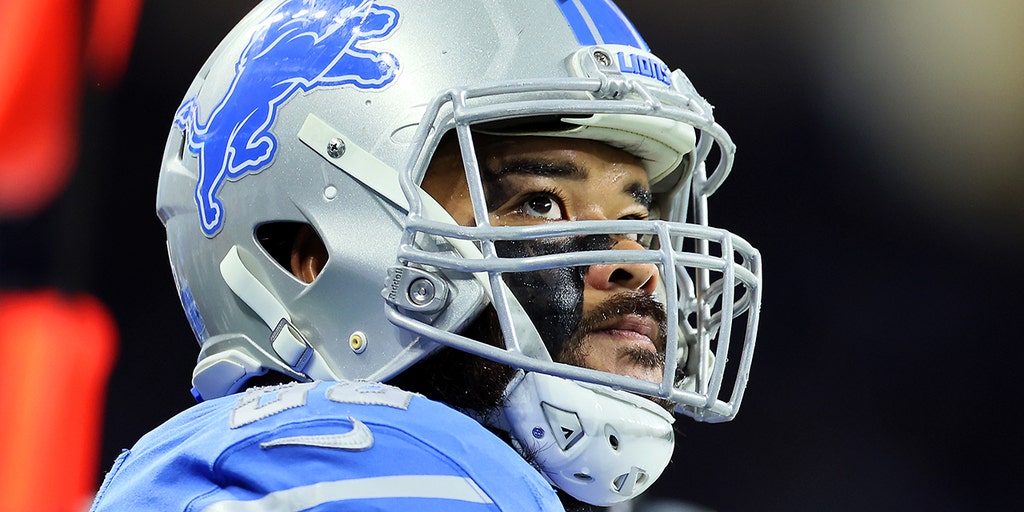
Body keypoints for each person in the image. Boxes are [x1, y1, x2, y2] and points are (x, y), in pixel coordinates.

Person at [89, 0, 762, 511]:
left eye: (638, 221)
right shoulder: (376, 471)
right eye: (540, 202)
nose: (639, 265)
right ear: (312, 255)